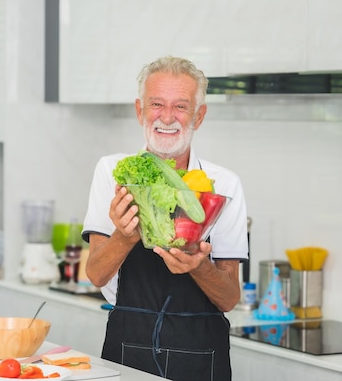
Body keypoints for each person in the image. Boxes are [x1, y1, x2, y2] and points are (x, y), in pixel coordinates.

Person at [82, 56, 248, 381]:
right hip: (127, 349)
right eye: (156, 104)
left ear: (199, 116)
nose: (167, 117)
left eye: (181, 107)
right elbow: (96, 274)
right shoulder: (113, 173)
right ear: (139, 110)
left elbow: (229, 298)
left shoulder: (223, 186)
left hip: (202, 358)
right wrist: (126, 234)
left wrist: (198, 266)